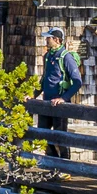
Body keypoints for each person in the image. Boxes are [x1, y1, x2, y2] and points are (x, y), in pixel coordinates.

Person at [35, 27, 84, 159]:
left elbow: (77, 82)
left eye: (48, 38)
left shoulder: (66, 57)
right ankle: (54, 165)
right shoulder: (48, 56)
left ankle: (65, 166)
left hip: (61, 105)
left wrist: (64, 98)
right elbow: (44, 79)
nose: (46, 40)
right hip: (47, 102)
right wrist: (32, 95)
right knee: (42, 135)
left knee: (60, 137)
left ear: (56, 40)